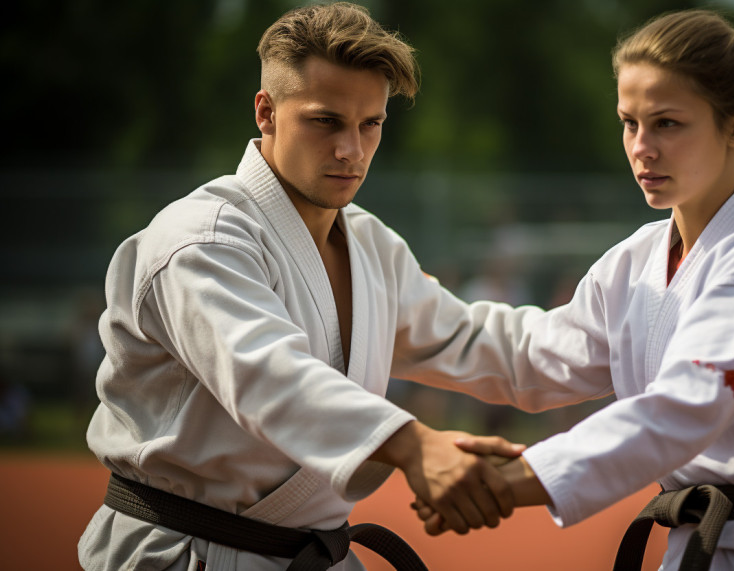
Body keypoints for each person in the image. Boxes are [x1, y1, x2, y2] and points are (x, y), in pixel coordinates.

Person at [78, 4, 540, 570]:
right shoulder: (202, 240)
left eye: (371, 124)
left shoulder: (371, 244)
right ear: (266, 112)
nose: (353, 149)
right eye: (326, 121)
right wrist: (415, 445)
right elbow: (268, 375)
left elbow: (474, 341)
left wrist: (626, 331)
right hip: (186, 553)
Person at [415, 10, 734, 570]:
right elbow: (532, 356)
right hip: (701, 549)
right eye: (629, 122)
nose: (642, 147)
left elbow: (682, 407)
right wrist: (402, 319)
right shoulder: (638, 259)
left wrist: (512, 481)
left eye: (668, 124)